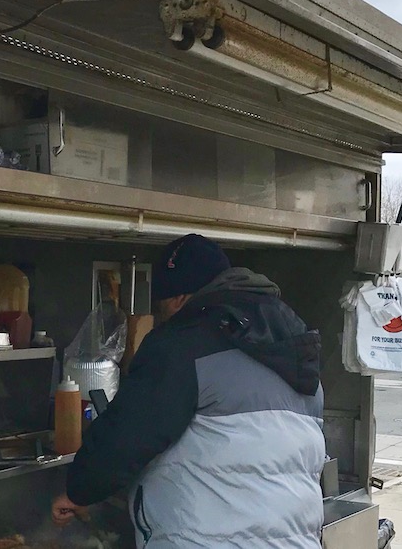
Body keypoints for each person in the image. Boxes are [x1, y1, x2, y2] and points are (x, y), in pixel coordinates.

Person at [52, 234, 325, 548]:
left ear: (179, 298)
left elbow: (128, 436)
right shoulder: (296, 347)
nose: (161, 316)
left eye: (161, 305)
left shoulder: (182, 344)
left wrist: (79, 490)